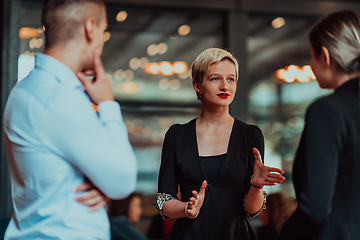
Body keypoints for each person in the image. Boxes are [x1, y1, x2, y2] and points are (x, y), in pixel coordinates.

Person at [2, 0, 137, 239]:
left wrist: (104, 184)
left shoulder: (29, 89)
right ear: (90, 29)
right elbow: (123, 179)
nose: (102, 40)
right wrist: (107, 103)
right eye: (104, 31)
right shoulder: (57, 97)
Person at [156, 48, 285, 240]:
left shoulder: (251, 135)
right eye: (215, 78)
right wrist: (186, 208)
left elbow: (251, 210)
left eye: (231, 79)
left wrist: (256, 187)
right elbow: (164, 200)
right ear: (197, 85)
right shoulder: (177, 135)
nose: (225, 86)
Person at [279, 10, 360, 240]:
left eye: (311, 56)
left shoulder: (327, 110)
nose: (312, 65)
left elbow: (315, 209)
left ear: (325, 55)